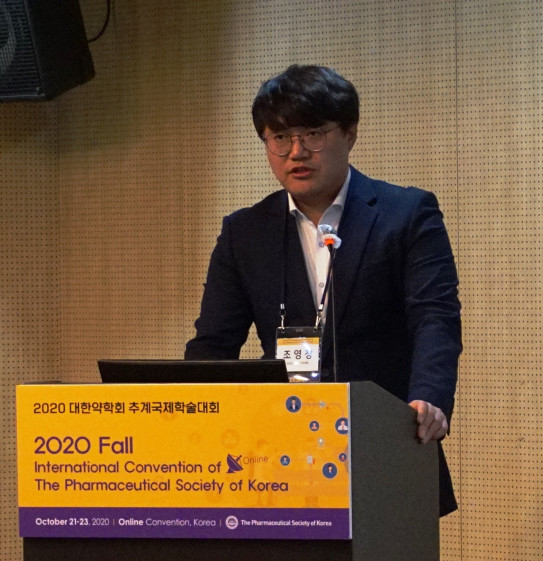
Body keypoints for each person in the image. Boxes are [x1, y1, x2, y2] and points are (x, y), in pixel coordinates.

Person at [184, 64, 461, 516]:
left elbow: (435, 317)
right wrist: (188, 417)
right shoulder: (245, 232)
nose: (296, 152)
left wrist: (429, 397)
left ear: (349, 133)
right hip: (278, 459)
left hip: (385, 445)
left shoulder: (406, 213)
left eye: (313, 134)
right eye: (280, 137)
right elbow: (213, 345)